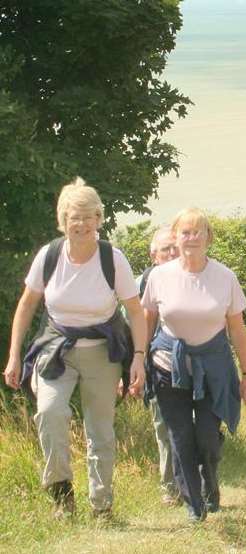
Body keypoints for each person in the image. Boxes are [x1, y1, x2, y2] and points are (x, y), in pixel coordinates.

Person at [3, 177, 147, 519]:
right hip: (56, 349)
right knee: (50, 413)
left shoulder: (113, 259)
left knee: (100, 429)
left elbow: (136, 311)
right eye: (73, 217)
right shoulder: (49, 255)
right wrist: (13, 356)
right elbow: (26, 305)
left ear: (99, 219)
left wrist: (138, 357)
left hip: (102, 351)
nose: (81, 224)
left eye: (88, 216)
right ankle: (61, 496)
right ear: (62, 221)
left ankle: (101, 506)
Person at [142, 208, 246, 522]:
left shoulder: (224, 276)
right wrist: (137, 363)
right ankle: (195, 506)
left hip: (214, 367)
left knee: (206, 436)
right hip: (168, 365)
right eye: (185, 232)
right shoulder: (159, 276)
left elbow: (237, 329)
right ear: (175, 238)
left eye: (198, 232)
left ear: (208, 238)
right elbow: (147, 322)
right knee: (180, 437)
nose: (192, 237)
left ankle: (210, 482)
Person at [137, 226, 180, 505]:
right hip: (158, 363)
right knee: (163, 425)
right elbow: (137, 327)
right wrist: (137, 364)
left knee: (195, 423)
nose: (172, 253)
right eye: (165, 249)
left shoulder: (198, 275)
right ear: (154, 256)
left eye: (174, 247)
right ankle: (170, 487)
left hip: (194, 363)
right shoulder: (143, 282)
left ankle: (195, 480)